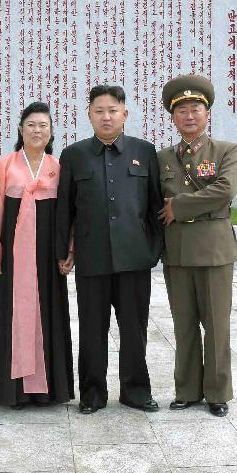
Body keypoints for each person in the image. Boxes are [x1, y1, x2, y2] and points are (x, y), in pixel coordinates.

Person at [56, 84, 164, 414]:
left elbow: (155, 206)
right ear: (89, 114)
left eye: (113, 110)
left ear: (125, 115)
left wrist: (152, 250)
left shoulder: (144, 151)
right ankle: (92, 393)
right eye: (99, 110)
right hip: (92, 258)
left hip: (134, 258)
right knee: (92, 329)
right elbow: (65, 209)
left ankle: (135, 390)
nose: (106, 116)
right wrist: (63, 251)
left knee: (134, 328)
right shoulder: (73, 155)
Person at [0, 102, 75, 407]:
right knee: (9, 314)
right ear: (21, 130)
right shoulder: (5, 166)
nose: (37, 130)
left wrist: (66, 252)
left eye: (43, 125)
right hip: (12, 259)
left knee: (48, 313)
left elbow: (67, 215)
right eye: (31, 124)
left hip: (47, 259)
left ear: (51, 132)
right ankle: (11, 390)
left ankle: (47, 389)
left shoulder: (57, 167)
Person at [157, 74, 237, 417]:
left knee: (216, 325)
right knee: (184, 324)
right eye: (182, 110)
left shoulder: (225, 151)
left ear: (207, 113)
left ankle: (217, 392)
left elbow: (224, 191)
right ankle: (187, 390)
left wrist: (177, 206)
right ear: (172, 117)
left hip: (214, 249)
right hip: (176, 250)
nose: (189, 115)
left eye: (196, 108)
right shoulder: (162, 157)